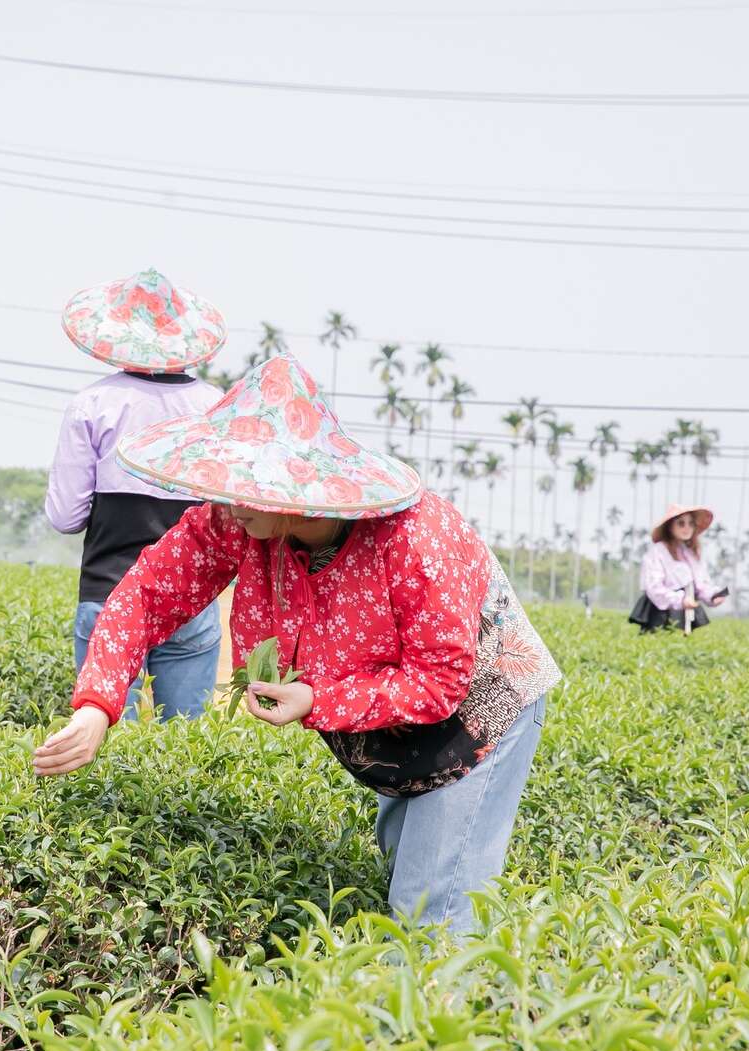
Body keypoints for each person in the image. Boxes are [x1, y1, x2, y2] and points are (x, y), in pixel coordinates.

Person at [34, 354, 563, 933]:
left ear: (293, 485)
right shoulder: (235, 521)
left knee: (430, 915)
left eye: (246, 482)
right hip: (384, 728)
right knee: (402, 876)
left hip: (478, 714)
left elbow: (437, 681)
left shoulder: (414, 538)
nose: (229, 496)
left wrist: (316, 700)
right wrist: (97, 706)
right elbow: (145, 595)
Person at [45, 268, 226, 721]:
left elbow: (65, 516)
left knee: (106, 741)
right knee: (187, 745)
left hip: (109, 590)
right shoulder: (215, 407)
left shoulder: (93, 404)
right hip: (191, 596)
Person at [630, 503, 727, 633]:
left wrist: (713, 596)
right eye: (681, 523)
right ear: (670, 526)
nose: (687, 528)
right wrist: (679, 599)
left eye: (690, 523)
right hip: (661, 612)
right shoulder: (658, 551)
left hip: (684, 612)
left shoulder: (690, 554)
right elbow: (653, 586)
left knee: (681, 647)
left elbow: (700, 584)